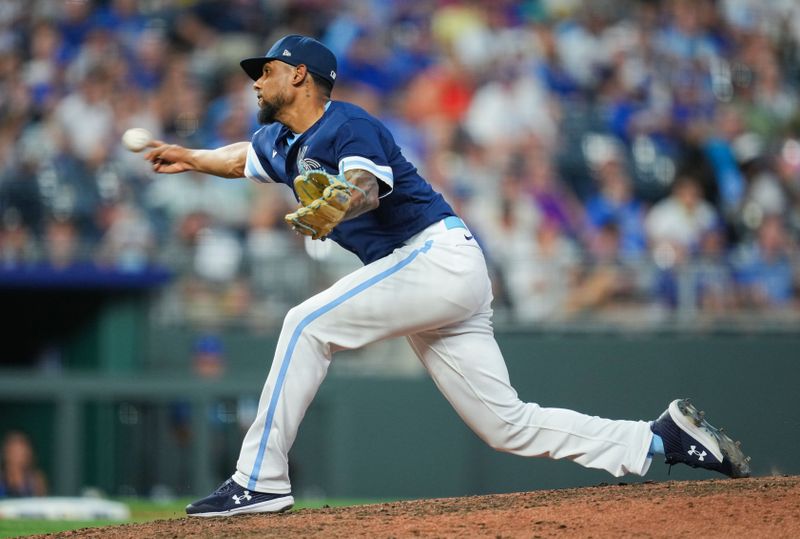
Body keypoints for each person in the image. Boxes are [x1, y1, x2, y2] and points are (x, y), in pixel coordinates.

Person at [144, 35, 751, 517]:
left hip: (433, 256)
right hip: (433, 278)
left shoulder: (344, 124)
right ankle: (660, 440)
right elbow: (243, 158)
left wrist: (340, 203)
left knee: (305, 323)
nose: (257, 79)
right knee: (503, 423)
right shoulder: (283, 140)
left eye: (267, 69)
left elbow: (363, 184)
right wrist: (191, 157)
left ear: (300, 74)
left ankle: (258, 481)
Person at [0, 431, 47, 498]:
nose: (17, 456)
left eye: (21, 451)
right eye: (14, 451)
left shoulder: (36, 480)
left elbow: (42, 504)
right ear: (5, 452)